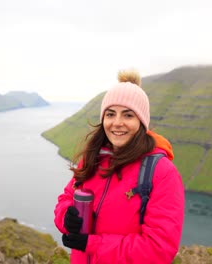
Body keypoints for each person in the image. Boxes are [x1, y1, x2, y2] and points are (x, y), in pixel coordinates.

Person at [54, 69, 185, 263]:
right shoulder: (92, 159)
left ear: (141, 121)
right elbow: (66, 197)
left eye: (128, 115)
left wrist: (91, 244)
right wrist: (65, 217)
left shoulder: (161, 172)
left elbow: (158, 249)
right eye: (110, 114)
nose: (117, 123)